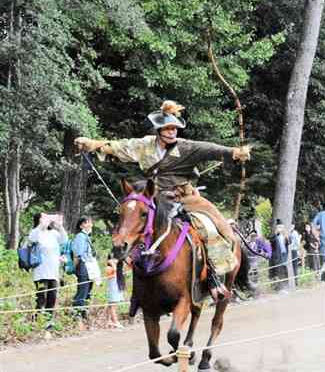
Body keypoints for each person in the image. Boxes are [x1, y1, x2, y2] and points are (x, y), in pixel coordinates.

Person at [73, 100, 251, 299]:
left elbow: (210, 149)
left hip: (185, 197)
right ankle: (131, 277)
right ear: (158, 130)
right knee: (130, 222)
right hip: (155, 198)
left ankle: (213, 277)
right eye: (168, 128)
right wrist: (93, 144)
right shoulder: (145, 145)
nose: (172, 132)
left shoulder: (186, 147)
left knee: (211, 228)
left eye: (175, 128)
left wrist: (234, 152)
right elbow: (121, 146)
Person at [28, 213, 67, 323]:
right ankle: (36, 322)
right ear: (38, 220)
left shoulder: (53, 233)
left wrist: (60, 226)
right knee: (41, 298)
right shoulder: (37, 232)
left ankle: (49, 322)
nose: (46, 219)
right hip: (40, 273)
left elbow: (64, 240)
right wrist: (41, 226)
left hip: (53, 272)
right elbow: (31, 238)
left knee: (52, 297)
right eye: (43, 217)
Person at [71, 217, 97, 320]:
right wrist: (76, 268)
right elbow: (78, 254)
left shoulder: (86, 237)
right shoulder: (80, 237)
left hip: (88, 266)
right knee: (83, 290)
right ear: (81, 225)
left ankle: (83, 312)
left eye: (91, 222)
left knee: (88, 290)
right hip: (83, 266)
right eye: (87, 223)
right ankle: (77, 314)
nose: (90, 225)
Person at [104, 257, 125, 329]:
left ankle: (109, 321)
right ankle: (115, 322)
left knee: (111, 306)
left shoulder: (117, 268)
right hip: (113, 289)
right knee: (112, 306)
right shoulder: (109, 268)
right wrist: (113, 265)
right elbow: (111, 275)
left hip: (116, 288)